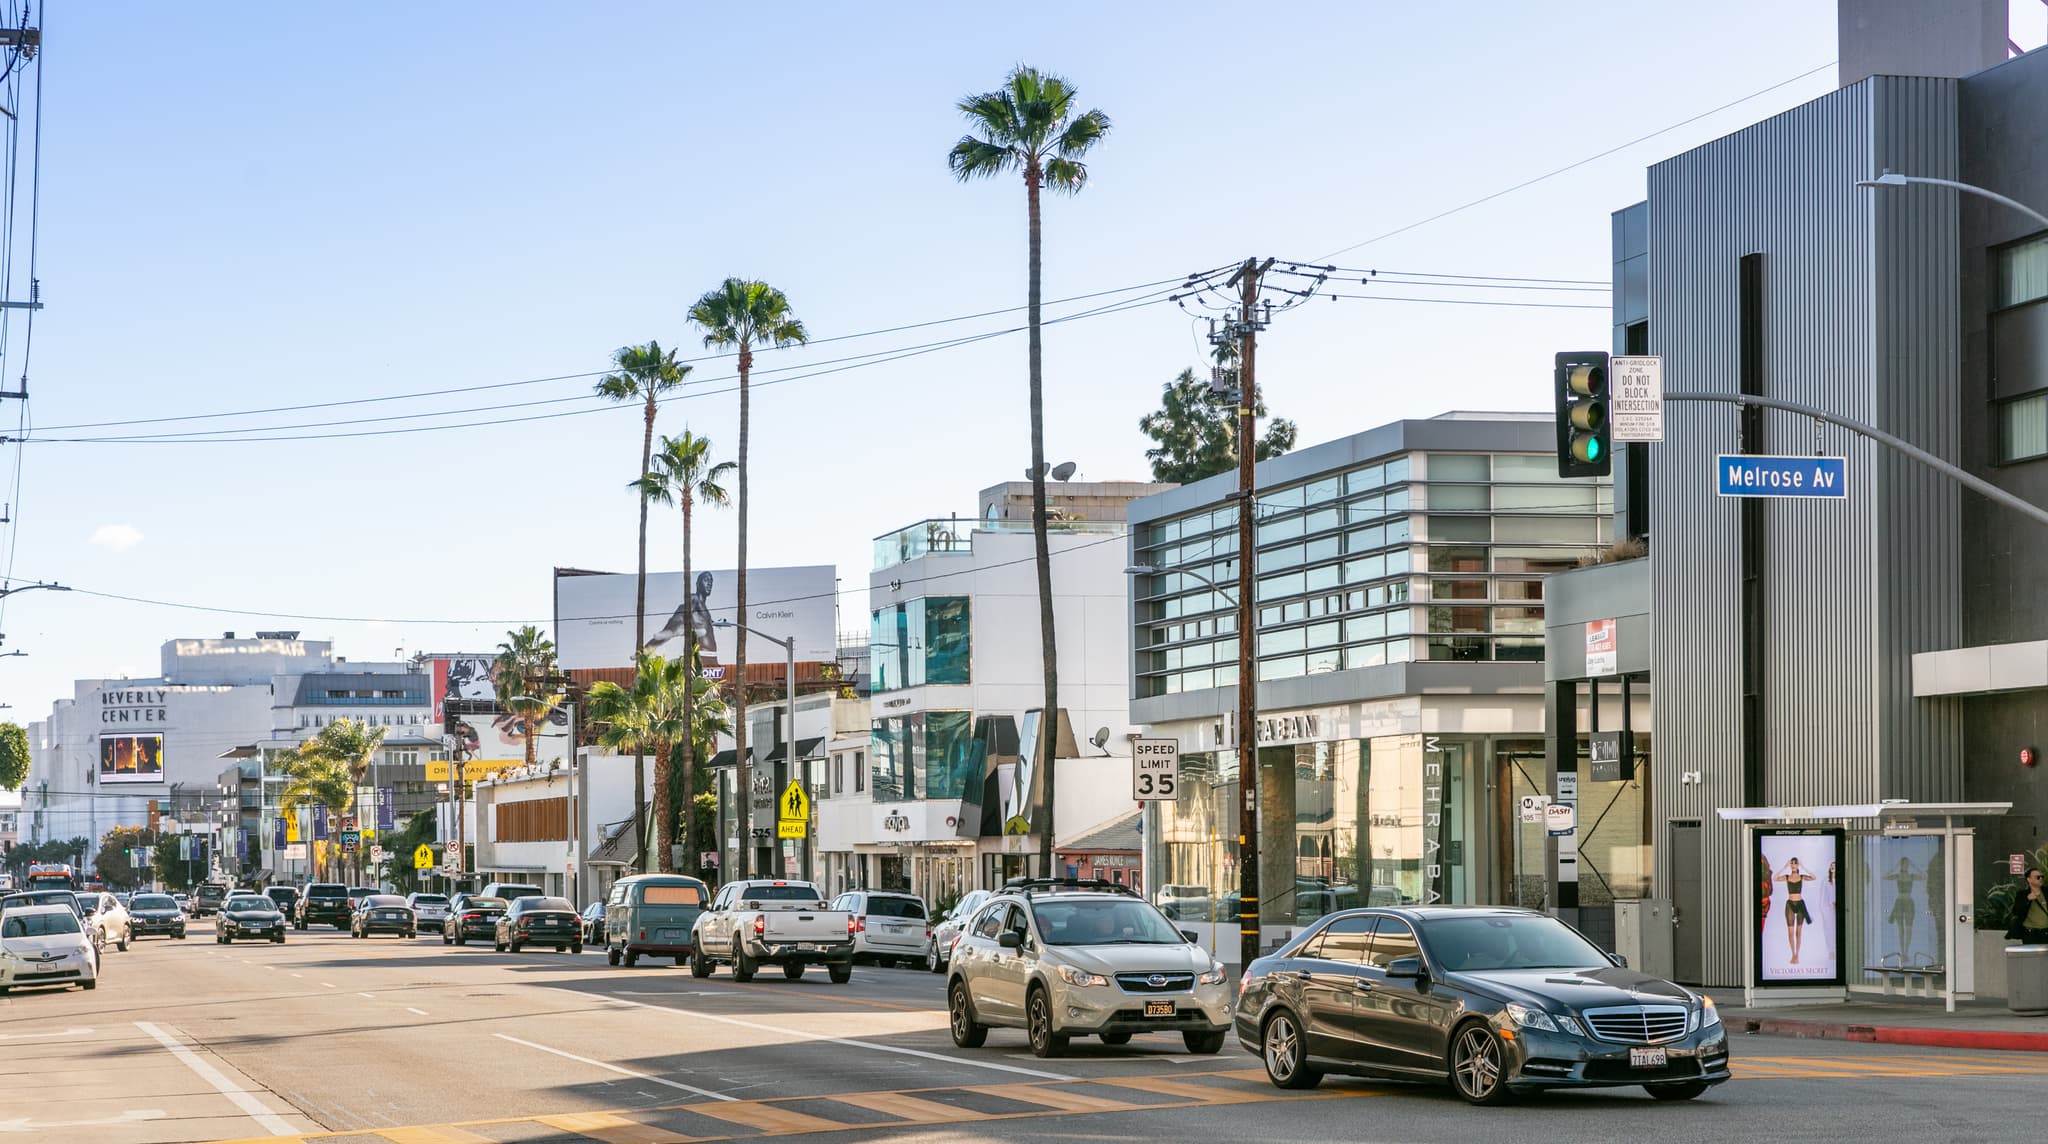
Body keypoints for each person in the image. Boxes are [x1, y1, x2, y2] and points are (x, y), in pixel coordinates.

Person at [1776, 857, 1817, 965]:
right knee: (1790, 933)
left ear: (1798, 865)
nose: (1793, 865)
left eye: (1795, 863)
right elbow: (1775, 878)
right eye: (1792, 863)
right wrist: (1784, 867)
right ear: (1790, 865)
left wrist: (1803, 867)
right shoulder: (1787, 877)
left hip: (1799, 905)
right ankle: (1793, 954)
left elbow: (1814, 877)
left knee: (1798, 933)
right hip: (1790, 904)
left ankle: (1797, 955)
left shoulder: (1801, 876)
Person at [1883, 857, 1922, 963]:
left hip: (1909, 902)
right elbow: (1884, 876)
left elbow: (1925, 876)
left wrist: (1914, 866)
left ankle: (1906, 952)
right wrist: (1895, 867)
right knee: (1900, 929)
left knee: (1908, 928)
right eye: (1903, 864)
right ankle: (1902, 952)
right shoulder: (1898, 876)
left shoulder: (1911, 876)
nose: (1905, 865)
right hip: (1899, 902)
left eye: (1907, 864)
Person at [2008, 868, 2048, 945]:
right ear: (2029, 879)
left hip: (2046, 932)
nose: (2041, 879)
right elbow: (2016, 911)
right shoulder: (2022, 894)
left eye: (2042, 877)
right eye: (2037, 877)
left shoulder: (2046, 892)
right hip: (2030, 933)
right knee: (2031, 952)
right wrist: (2027, 899)